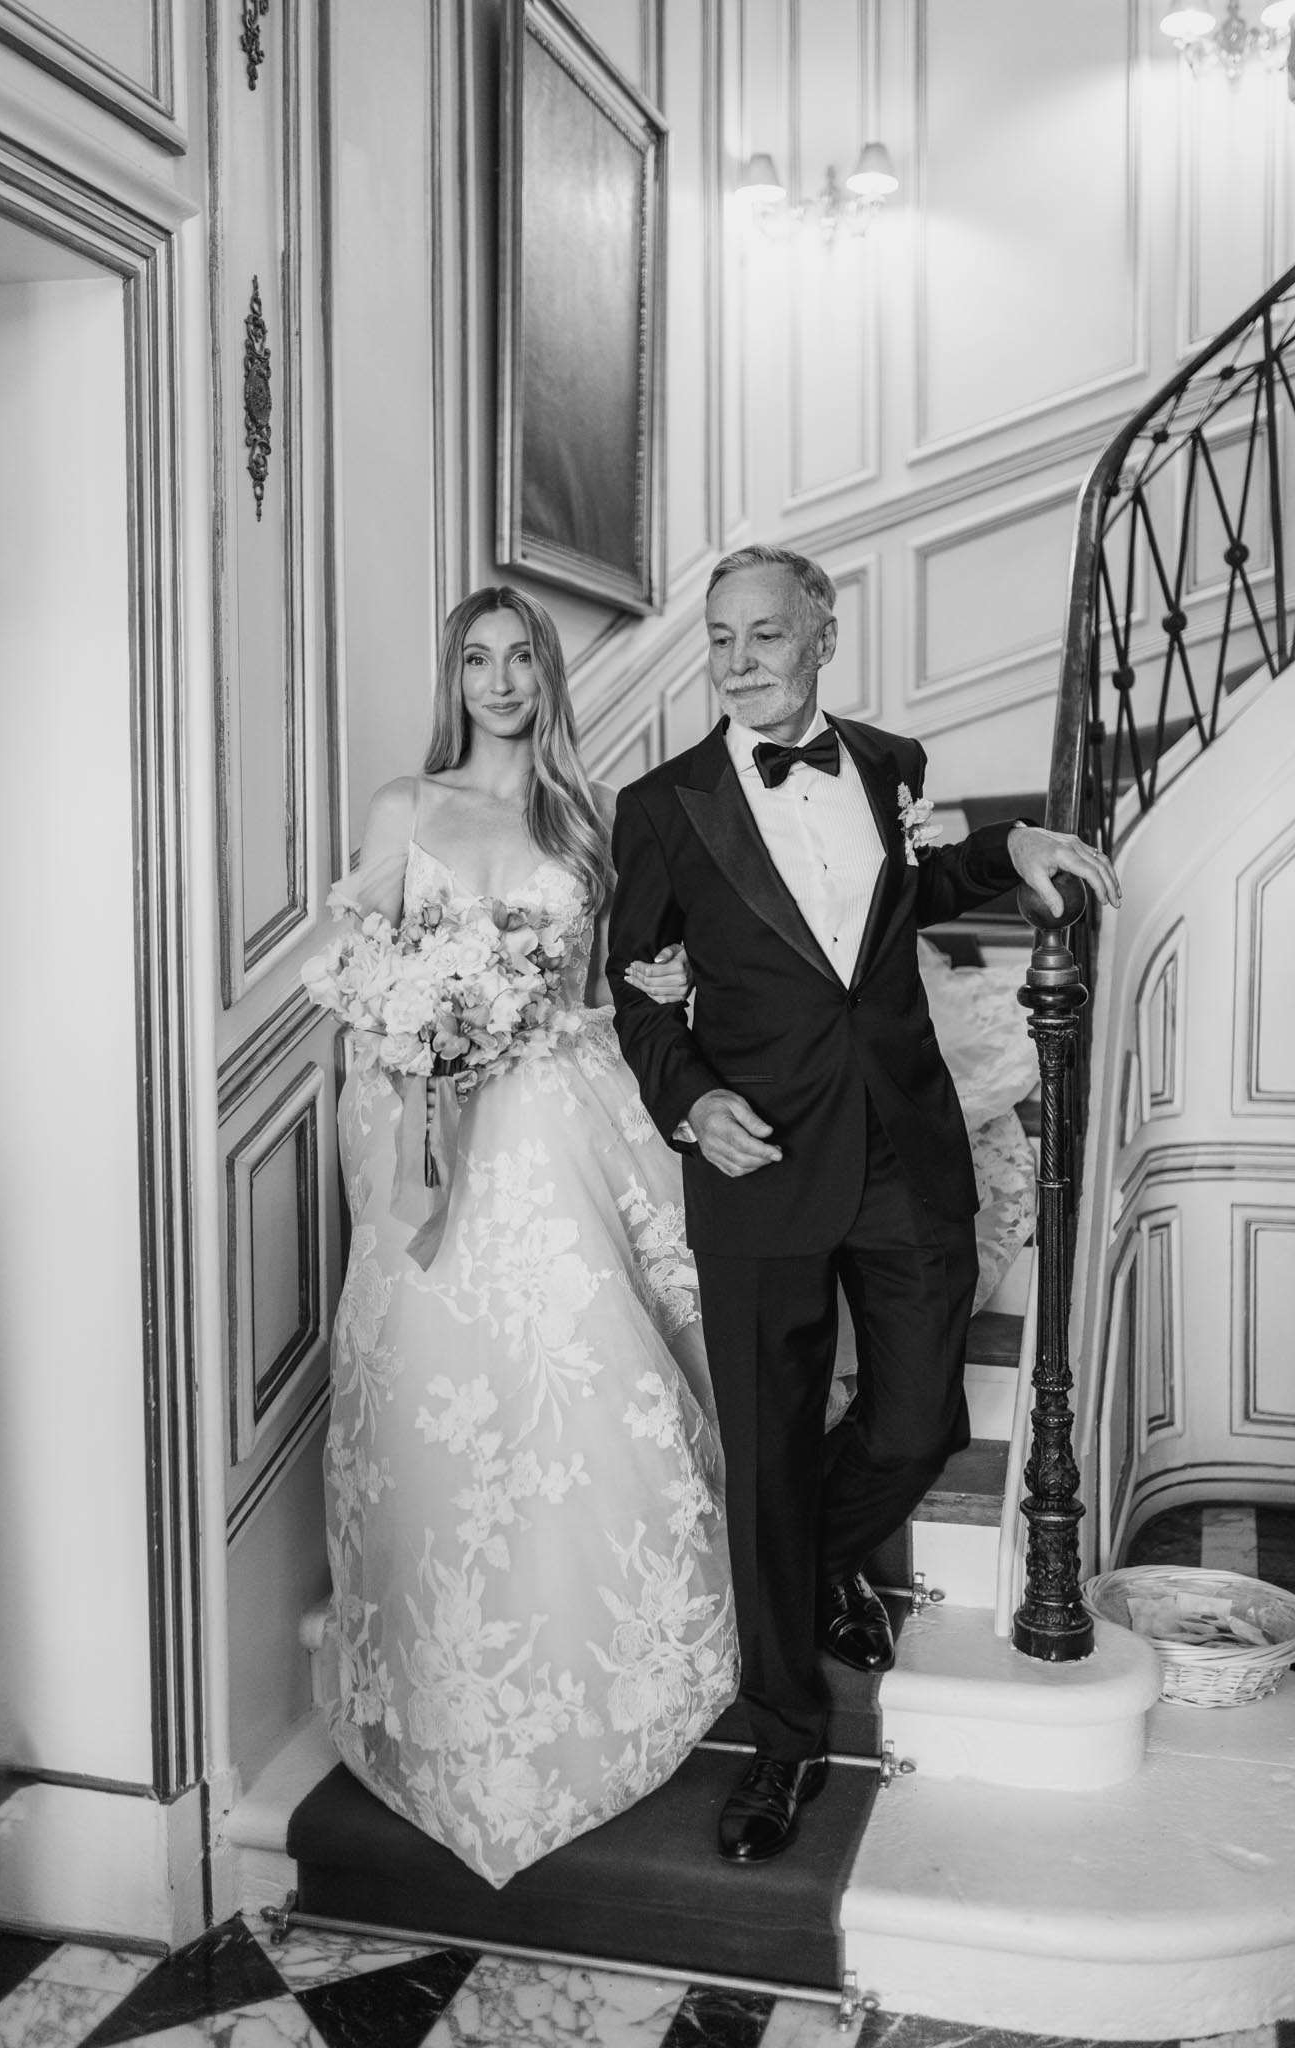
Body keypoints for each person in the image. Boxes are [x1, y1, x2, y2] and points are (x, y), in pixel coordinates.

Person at [606, 544, 1120, 1865]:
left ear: (822, 634)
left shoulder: (888, 765)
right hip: (757, 1165)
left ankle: (811, 1558)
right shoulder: (662, 804)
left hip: (900, 1150)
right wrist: (688, 1097)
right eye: (719, 638)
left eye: (765, 633)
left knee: (912, 1420)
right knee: (769, 1448)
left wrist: (1012, 843)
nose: (739, 659)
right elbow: (638, 983)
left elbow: (917, 885)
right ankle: (780, 1745)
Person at [312, 587, 739, 1889]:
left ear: (546, 677)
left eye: (519, 660)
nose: (499, 680)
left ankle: (595, 1665)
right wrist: (414, 1050)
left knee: (576, 1392)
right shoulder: (406, 807)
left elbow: (619, 978)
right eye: (476, 659)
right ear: (454, 676)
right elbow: (366, 976)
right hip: (432, 1135)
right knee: (443, 1403)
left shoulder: (587, 815)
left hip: (555, 1117)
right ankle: (440, 1680)